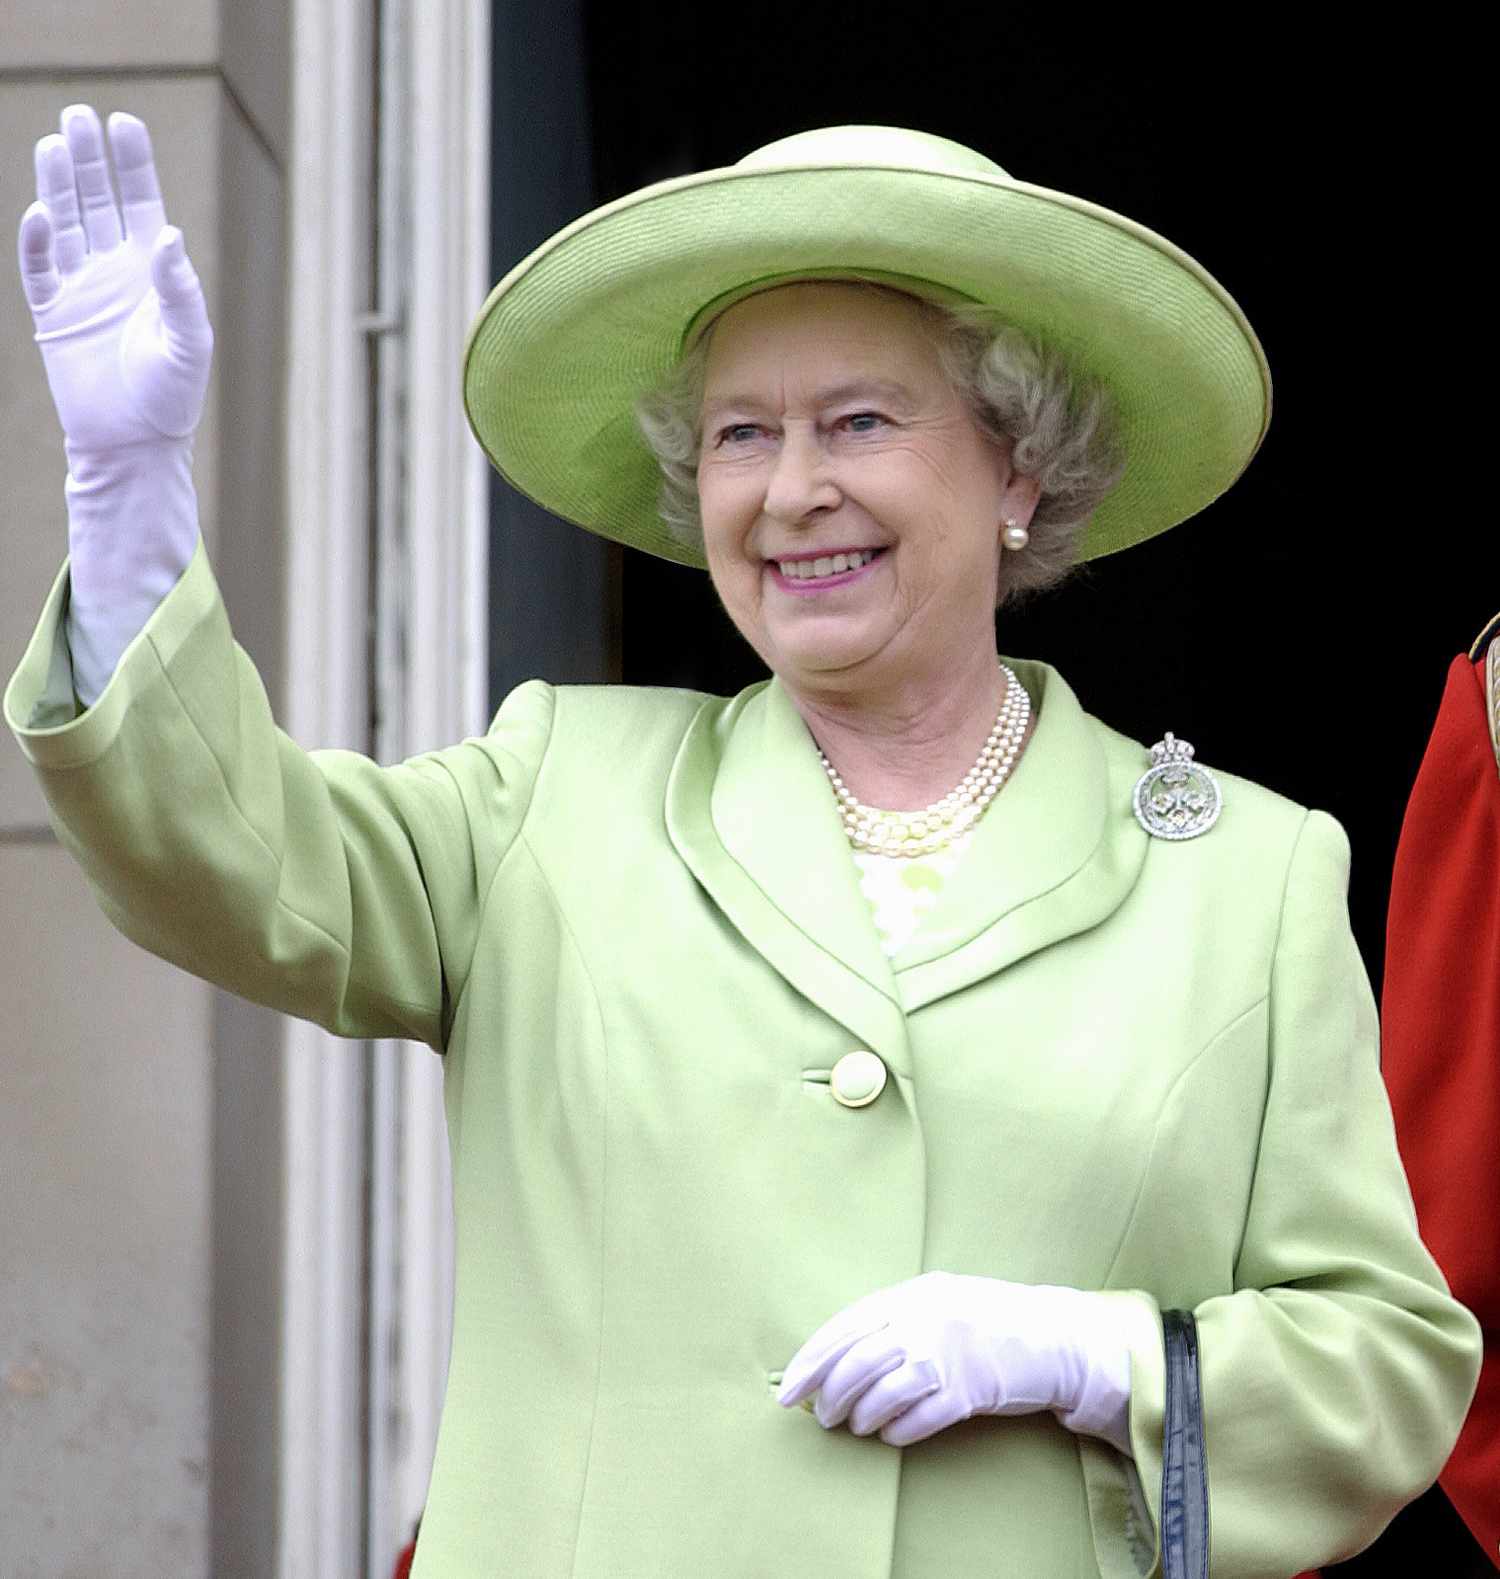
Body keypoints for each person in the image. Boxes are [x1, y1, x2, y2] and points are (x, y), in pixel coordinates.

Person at [6, 107, 1481, 1579]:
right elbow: (231, 858)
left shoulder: (1245, 877)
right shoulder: (551, 794)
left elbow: (1389, 1363)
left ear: (1019, 470)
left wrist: (1100, 1356)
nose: (790, 493)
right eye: (740, 436)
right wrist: (128, 495)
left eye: (860, 422)